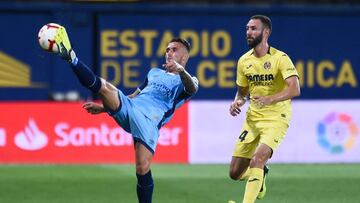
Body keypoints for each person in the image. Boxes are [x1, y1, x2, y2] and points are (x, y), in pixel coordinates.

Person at [52, 26, 198, 203]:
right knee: (104, 87)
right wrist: (103, 108)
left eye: (174, 50)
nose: (168, 52)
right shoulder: (154, 73)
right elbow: (134, 96)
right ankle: (72, 58)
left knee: (142, 169)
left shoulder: (188, 81)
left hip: (149, 121)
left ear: (184, 56)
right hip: (130, 106)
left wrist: (181, 70)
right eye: (167, 49)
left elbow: (192, 88)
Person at [228, 15, 300, 203]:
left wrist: (270, 99)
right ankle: (260, 176)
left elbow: (294, 88)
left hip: (277, 117)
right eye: (247, 29)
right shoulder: (244, 61)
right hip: (253, 119)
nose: (248, 32)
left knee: (257, 159)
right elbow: (242, 92)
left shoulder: (280, 58)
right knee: (235, 173)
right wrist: (238, 102)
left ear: (266, 32)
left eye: (253, 29)